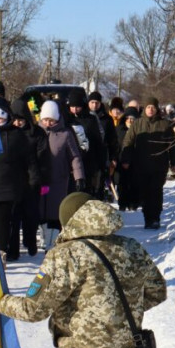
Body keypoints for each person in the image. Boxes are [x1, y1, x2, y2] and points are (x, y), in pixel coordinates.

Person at [0, 192, 167, 348]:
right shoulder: (131, 246)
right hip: (129, 347)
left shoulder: (66, 255)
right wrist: (121, 313)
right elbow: (157, 292)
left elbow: (32, 310)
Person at [0, 104, 42, 266]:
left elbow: (29, 161)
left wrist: (33, 181)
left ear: (7, 119)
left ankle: (1, 253)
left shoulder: (17, 136)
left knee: (2, 223)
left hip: (6, 187)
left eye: (0, 119)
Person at [120, 97, 175, 230]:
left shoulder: (165, 124)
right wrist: (126, 159)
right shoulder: (137, 124)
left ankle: (155, 218)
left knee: (156, 191)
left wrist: (174, 162)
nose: (150, 109)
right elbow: (128, 142)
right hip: (141, 165)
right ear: (144, 109)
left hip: (159, 165)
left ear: (157, 109)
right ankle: (148, 218)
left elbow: (173, 145)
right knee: (145, 192)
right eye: (148, 107)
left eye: (153, 107)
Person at [37, 100, 85, 251]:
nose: (48, 123)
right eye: (45, 120)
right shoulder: (37, 132)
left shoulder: (65, 134)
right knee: (41, 207)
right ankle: (43, 236)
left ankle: (53, 238)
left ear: (57, 119)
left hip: (58, 179)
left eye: (51, 120)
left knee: (55, 208)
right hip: (41, 179)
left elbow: (74, 156)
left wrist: (79, 176)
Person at [9, 94, 50, 258]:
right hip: (13, 180)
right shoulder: (9, 133)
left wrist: (43, 180)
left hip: (32, 179)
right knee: (14, 216)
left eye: (21, 119)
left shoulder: (37, 133)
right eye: (15, 120)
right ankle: (13, 250)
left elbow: (44, 158)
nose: (18, 123)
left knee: (31, 215)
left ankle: (30, 242)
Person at [66, 90, 105, 195]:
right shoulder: (66, 119)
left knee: (86, 190)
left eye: (77, 106)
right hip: (70, 161)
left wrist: (101, 162)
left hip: (88, 160)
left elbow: (98, 140)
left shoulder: (90, 119)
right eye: (72, 106)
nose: (74, 110)